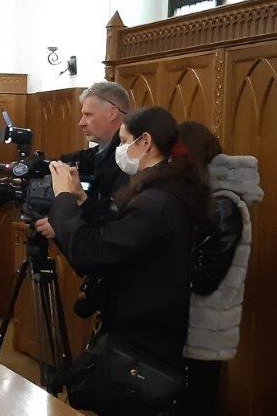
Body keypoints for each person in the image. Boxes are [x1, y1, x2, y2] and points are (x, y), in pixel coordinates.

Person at [35, 107, 209, 414]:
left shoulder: (157, 201)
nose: (120, 149)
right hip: (143, 323)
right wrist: (80, 200)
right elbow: (116, 236)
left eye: (125, 141)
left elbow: (94, 253)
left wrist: (62, 198)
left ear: (146, 142)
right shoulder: (160, 190)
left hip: (142, 334)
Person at [178, 121, 263, 415]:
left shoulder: (223, 205)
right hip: (195, 328)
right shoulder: (210, 199)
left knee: (197, 403)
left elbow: (206, 276)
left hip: (203, 330)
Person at [58, 81, 131, 222]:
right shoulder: (102, 151)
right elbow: (77, 159)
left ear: (112, 113)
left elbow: (113, 219)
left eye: (88, 115)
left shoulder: (128, 159)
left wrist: (64, 222)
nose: (81, 123)